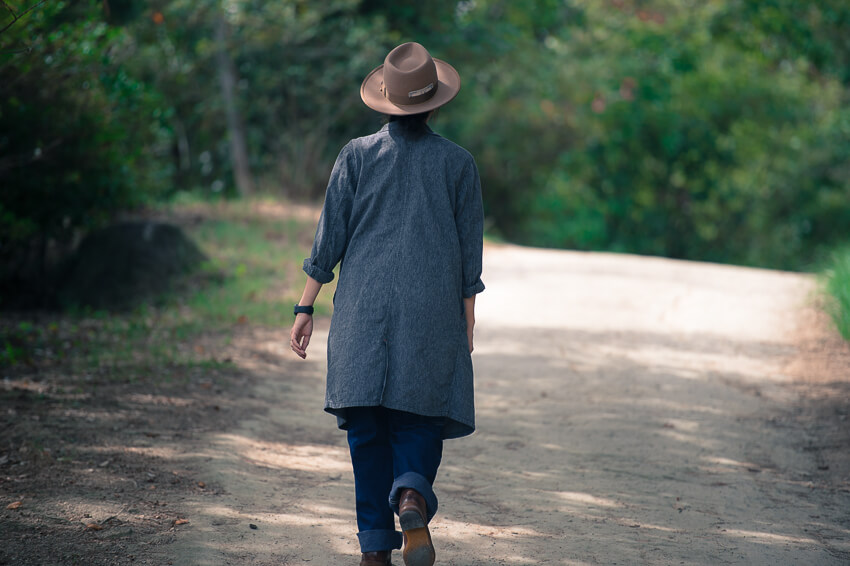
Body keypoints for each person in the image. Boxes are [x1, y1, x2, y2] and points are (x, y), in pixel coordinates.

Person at [289, 41, 485, 566]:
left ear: (385, 100)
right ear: (435, 103)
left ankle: (375, 549)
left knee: (367, 433)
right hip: (431, 314)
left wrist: (304, 307)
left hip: (361, 317)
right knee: (420, 416)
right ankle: (412, 494)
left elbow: (329, 239)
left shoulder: (355, 155)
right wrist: (467, 319)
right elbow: (470, 253)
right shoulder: (459, 165)